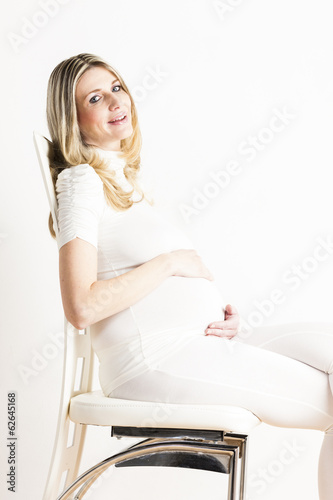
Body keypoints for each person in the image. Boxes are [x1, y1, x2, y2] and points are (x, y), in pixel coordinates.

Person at [46, 53, 333, 499]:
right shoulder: (82, 181)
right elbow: (81, 306)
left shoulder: (121, 178)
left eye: (116, 87)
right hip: (155, 360)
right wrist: (170, 263)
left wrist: (210, 308)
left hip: (198, 342)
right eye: (95, 98)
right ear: (74, 120)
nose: (114, 102)